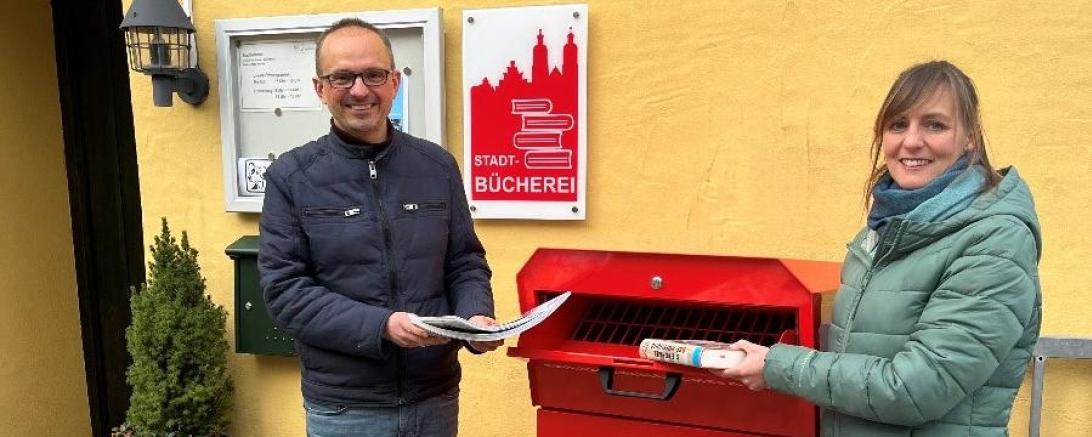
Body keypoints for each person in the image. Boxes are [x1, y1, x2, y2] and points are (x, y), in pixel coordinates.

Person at [715, 60, 1042, 436]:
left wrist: (778, 366)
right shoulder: (885, 232)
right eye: (898, 124)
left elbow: (916, 388)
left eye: (935, 125)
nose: (911, 141)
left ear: (970, 138)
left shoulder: (994, 241)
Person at [258, 18, 501, 437]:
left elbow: (464, 261)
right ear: (320, 88)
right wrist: (382, 326)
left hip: (434, 397)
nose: (359, 90)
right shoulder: (291, 176)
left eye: (372, 75)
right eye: (342, 77)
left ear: (394, 82)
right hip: (345, 408)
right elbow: (286, 292)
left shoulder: (436, 166)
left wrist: (474, 317)